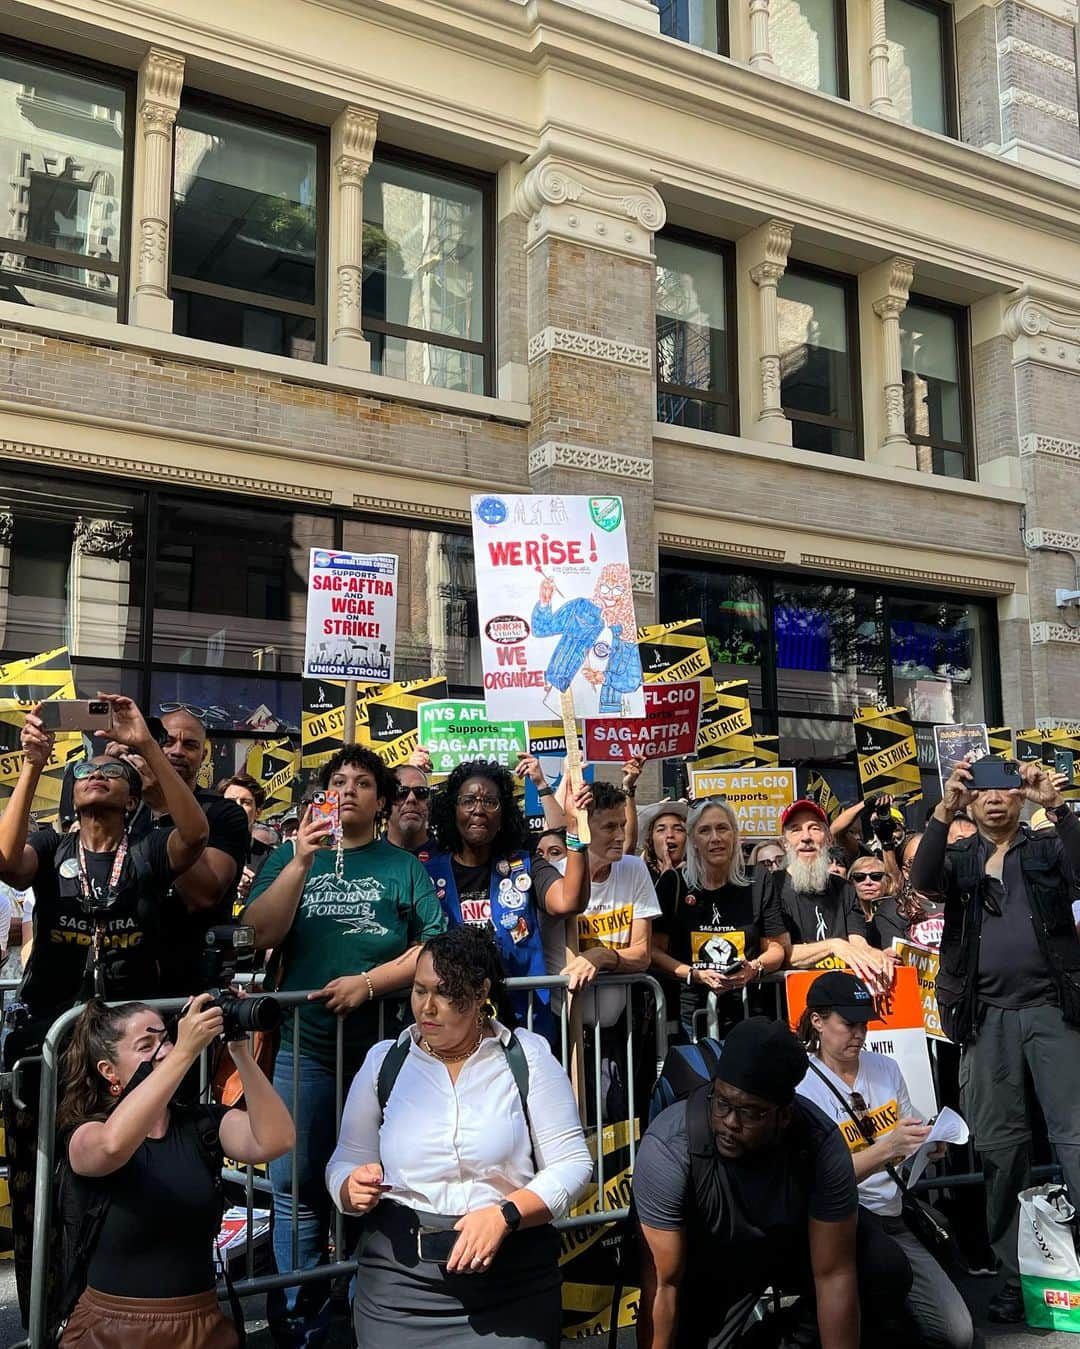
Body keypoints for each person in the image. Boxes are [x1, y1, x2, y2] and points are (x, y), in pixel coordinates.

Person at [0, 695, 209, 1325]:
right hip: (47, 1044)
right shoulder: (49, 847)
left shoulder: (145, 852)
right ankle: (44, 1321)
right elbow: (7, 863)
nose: (98, 775)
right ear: (70, 796)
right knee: (38, 1189)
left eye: (111, 775)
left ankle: (104, 1314)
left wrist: (146, 745)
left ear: (130, 797)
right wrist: (33, 764)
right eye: (86, 773)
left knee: (106, 1188)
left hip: (121, 1057)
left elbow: (195, 835)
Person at [245, 744, 446, 1344]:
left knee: (378, 1186)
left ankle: (364, 1312)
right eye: (340, 780)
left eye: (363, 782)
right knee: (297, 1191)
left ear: (382, 800)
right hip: (302, 1052)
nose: (350, 789)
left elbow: (432, 948)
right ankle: (299, 1320)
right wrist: (301, 861)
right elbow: (257, 933)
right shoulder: (290, 853)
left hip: (384, 1056)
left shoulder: (402, 866)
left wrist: (369, 984)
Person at [326, 926, 592, 1348]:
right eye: (418, 990)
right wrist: (348, 1187)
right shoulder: (384, 1061)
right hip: (399, 1288)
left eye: (445, 992)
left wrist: (505, 1214)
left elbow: (573, 1162)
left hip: (511, 1281)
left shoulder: (529, 1055)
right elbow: (343, 1160)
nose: (426, 1007)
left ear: (481, 991)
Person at [909, 756, 1080, 1324]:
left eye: (1006, 789)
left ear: (1019, 796)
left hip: (1054, 1012)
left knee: (1075, 1141)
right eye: (981, 792)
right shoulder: (960, 857)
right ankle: (1016, 1276)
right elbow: (922, 880)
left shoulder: (1046, 846)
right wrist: (943, 810)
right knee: (1003, 1152)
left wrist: (1055, 805)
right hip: (987, 1021)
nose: (994, 799)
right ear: (972, 803)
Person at [634, 1015, 892, 1349]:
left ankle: (790, 1338)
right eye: (722, 1102)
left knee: (883, 1265)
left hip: (788, 1244)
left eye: (750, 1113)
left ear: (784, 1116)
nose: (729, 1122)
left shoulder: (821, 1143)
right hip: (710, 1262)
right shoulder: (670, 1146)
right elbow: (662, 1286)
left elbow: (834, 1275)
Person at [56, 992, 294, 1348]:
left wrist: (239, 1050)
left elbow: (276, 1139)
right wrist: (184, 1050)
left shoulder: (200, 1126)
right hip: (115, 1331)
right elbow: (112, 1146)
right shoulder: (87, 1133)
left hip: (202, 1325)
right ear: (108, 1071)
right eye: (146, 1045)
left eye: (165, 1039)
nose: (165, 1050)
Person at [795, 971, 973, 1349]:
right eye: (849, 1024)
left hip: (893, 1216)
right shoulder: (802, 1085)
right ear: (817, 1021)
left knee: (957, 1333)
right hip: (841, 1223)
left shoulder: (886, 1068)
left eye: (864, 1025)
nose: (859, 1034)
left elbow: (902, 1154)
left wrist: (924, 1146)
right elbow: (819, 1180)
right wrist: (886, 1150)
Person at [424, 760, 591, 1029]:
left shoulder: (525, 866)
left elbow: (568, 901)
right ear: (452, 810)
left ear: (503, 815)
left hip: (521, 1021)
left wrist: (574, 829)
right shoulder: (427, 874)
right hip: (449, 1023)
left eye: (490, 802)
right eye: (468, 801)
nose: (478, 809)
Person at [109, 707, 250, 995]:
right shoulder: (125, 807)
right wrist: (109, 774)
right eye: (167, 742)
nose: (176, 751)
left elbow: (203, 895)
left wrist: (163, 807)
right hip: (121, 977)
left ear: (204, 756)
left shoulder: (223, 813)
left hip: (189, 985)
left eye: (190, 744)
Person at [652, 799, 786, 1039]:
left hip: (748, 1014)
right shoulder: (674, 884)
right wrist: (693, 974)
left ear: (734, 835)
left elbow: (776, 948)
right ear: (693, 840)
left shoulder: (759, 880)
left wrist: (754, 968)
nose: (715, 838)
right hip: (690, 1018)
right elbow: (653, 951)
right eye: (705, 830)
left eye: (722, 828)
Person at [772, 800, 893, 993]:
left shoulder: (845, 889)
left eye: (814, 828)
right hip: (792, 999)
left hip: (841, 997)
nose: (806, 837)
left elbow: (858, 942)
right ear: (784, 843)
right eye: (795, 830)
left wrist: (876, 956)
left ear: (828, 839)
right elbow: (780, 954)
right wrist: (833, 945)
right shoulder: (772, 888)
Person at [217, 772, 268, 904]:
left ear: (257, 812)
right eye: (230, 802)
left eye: (245, 802)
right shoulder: (200, 853)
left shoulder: (272, 858)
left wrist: (257, 888)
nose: (237, 807)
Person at [847, 856, 917, 951]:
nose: (868, 882)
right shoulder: (846, 915)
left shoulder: (902, 910)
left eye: (876, 876)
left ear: (888, 882)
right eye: (859, 877)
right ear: (851, 882)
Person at [387, 756, 435, 861]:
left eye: (421, 792)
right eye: (401, 792)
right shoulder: (368, 858)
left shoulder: (452, 858)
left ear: (429, 802)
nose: (411, 799)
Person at [639, 801, 688, 884]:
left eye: (678, 829)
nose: (670, 835)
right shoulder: (640, 876)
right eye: (661, 830)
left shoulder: (700, 875)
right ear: (651, 840)